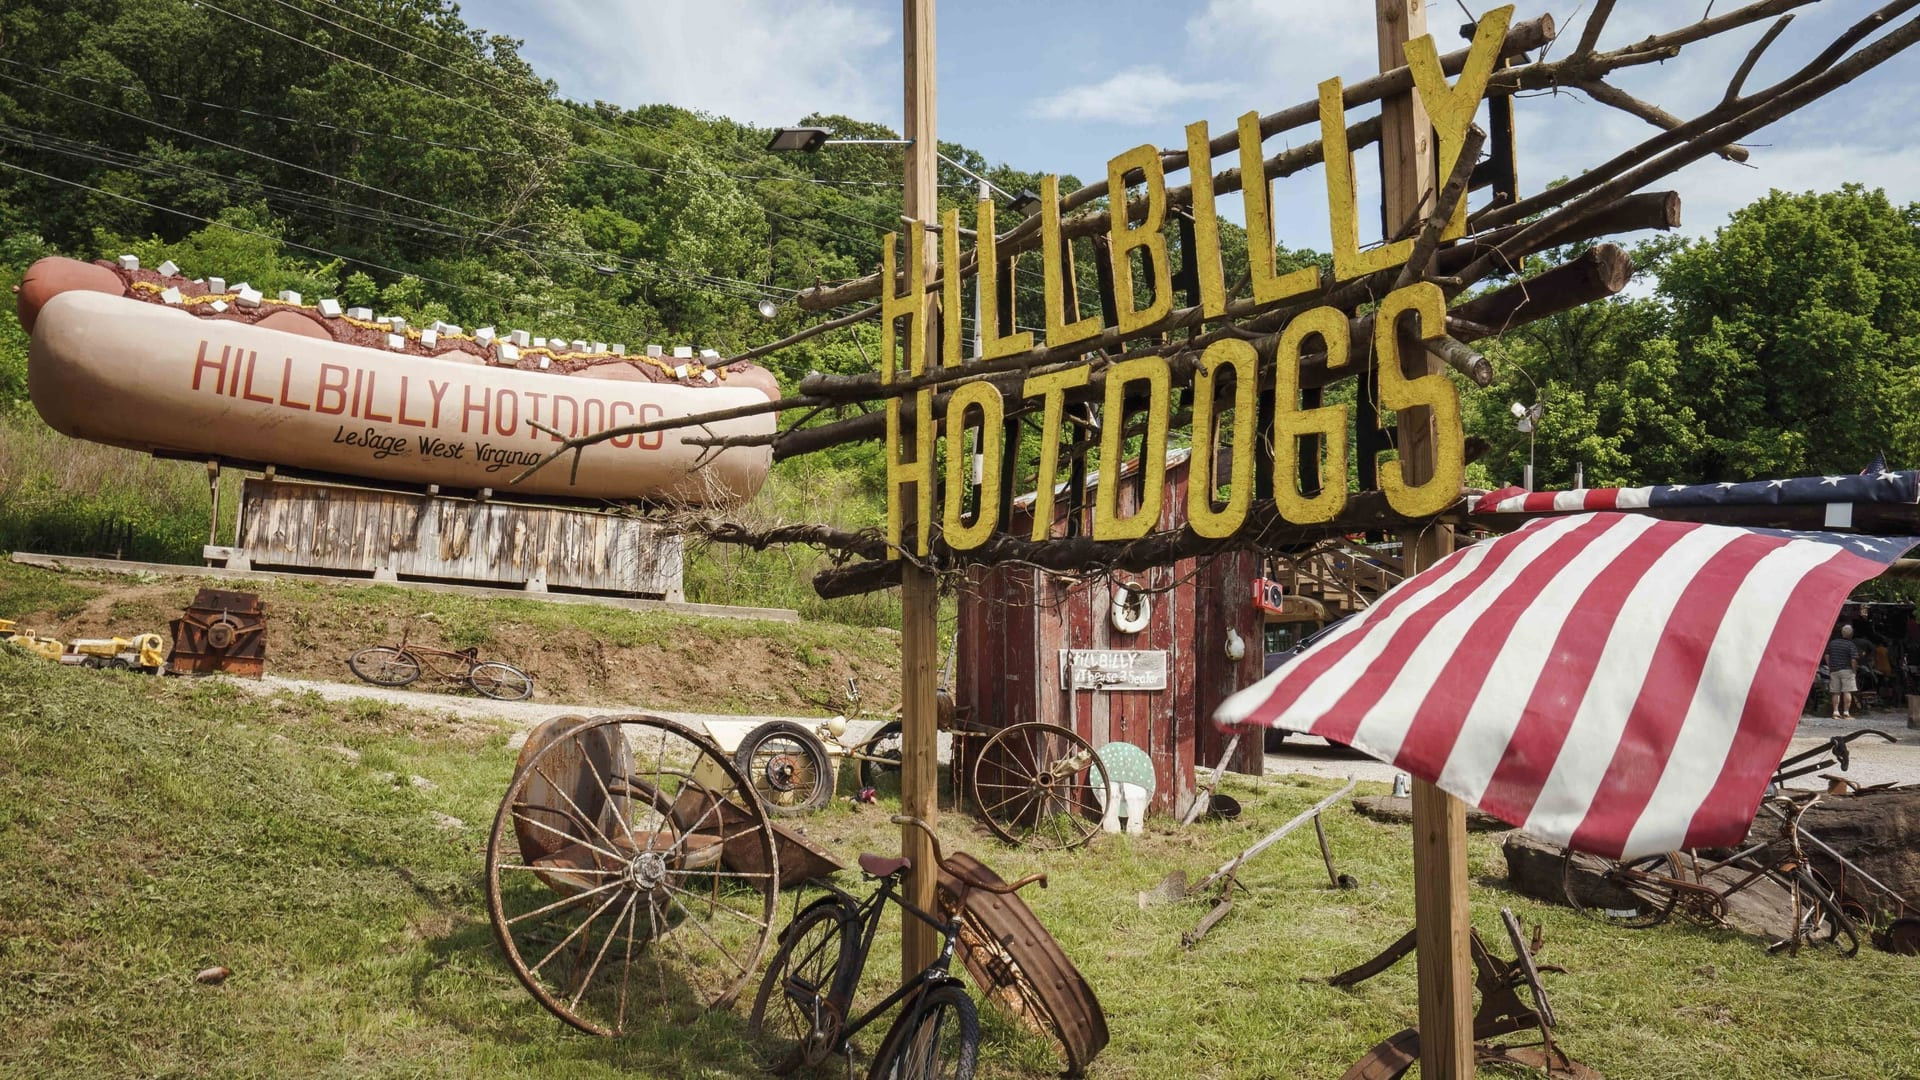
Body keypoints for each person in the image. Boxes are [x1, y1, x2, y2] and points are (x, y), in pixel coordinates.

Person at [1825, 624, 1860, 720]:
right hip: (1847, 670)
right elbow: (1853, 660)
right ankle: (1846, 713)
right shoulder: (1851, 645)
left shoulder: (1833, 643)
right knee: (1847, 691)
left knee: (1835, 692)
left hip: (1834, 670)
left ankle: (1835, 712)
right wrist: (1854, 670)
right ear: (1851, 634)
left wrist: (1830, 666)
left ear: (1842, 632)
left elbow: (1827, 655)